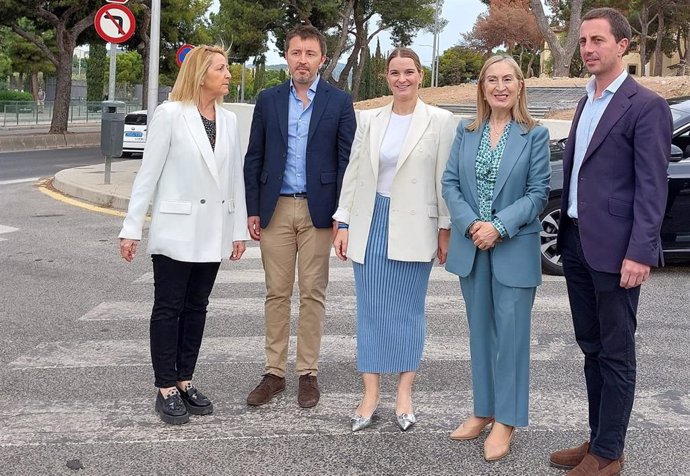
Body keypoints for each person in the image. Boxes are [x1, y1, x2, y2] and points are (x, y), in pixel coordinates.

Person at [549, 8, 672, 476]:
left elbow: (651, 186)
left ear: (622, 45)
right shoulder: (587, 100)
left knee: (617, 352)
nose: (587, 49)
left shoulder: (644, 105)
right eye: (583, 41)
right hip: (577, 242)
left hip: (618, 250)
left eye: (597, 40)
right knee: (591, 346)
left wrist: (640, 251)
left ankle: (609, 455)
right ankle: (599, 437)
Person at [118, 45, 249, 425]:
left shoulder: (228, 120)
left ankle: (185, 378)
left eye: (228, 67)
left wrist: (237, 230)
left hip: (212, 231)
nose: (228, 75)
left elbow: (234, 180)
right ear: (200, 74)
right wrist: (132, 227)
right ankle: (165, 387)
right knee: (169, 308)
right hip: (176, 229)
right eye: (221, 69)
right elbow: (149, 174)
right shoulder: (170, 115)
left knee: (197, 308)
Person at [333, 47, 456, 432]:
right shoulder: (368, 119)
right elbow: (353, 173)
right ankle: (370, 394)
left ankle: (404, 392)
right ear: (386, 76)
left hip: (416, 225)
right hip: (370, 222)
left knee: (408, 313)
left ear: (421, 75)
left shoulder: (441, 121)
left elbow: (444, 179)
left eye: (408, 72)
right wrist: (343, 222)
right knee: (369, 311)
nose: (401, 79)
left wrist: (445, 227)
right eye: (394, 72)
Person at [441, 55, 551, 461]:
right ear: (482, 87)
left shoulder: (534, 135)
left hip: (513, 247)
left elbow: (538, 192)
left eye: (508, 79)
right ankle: (483, 410)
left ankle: (506, 421)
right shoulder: (466, 131)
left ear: (520, 85)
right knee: (480, 335)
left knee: (512, 338)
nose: (500, 86)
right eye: (492, 80)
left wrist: (498, 226)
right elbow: (450, 183)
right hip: (472, 247)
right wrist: (472, 225)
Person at [243, 25, 356, 409]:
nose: (302, 60)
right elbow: (254, 156)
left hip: (318, 211)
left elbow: (347, 163)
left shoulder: (339, 102)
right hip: (276, 208)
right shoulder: (268, 99)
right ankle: (274, 372)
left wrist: (344, 218)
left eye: (310, 53)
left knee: (312, 293)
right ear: (287, 57)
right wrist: (253, 208)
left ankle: (308, 372)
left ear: (322, 59)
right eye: (295, 52)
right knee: (276, 292)